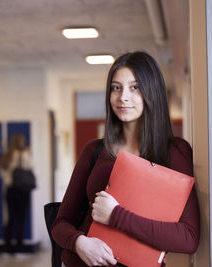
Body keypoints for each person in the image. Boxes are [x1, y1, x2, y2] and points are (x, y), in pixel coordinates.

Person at [51, 51, 200, 267]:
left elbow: (189, 238)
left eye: (135, 87)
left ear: (152, 91)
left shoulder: (175, 152)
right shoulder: (94, 151)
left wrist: (116, 216)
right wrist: (80, 243)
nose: (123, 97)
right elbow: (61, 224)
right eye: (116, 87)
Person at [0, 133, 33, 255]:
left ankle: (7, 249)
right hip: (22, 190)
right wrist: (28, 153)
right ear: (21, 142)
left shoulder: (6, 155)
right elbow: (31, 167)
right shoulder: (23, 154)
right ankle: (19, 249)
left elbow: (2, 173)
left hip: (9, 190)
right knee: (21, 219)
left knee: (10, 219)